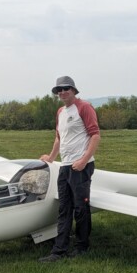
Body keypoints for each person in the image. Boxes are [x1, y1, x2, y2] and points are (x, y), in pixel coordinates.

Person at [39, 76, 101, 262]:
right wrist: (51, 157)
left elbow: (95, 135)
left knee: (81, 207)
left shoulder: (84, 107)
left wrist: (84, 160)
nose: (63, 92)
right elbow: (59, 138)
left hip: (81, 166)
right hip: (65, 167)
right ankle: (59, 250)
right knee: (64, 208)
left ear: (74, 90)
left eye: (66, 89)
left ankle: (82, 246)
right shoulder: (60, 112)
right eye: (59, 90)